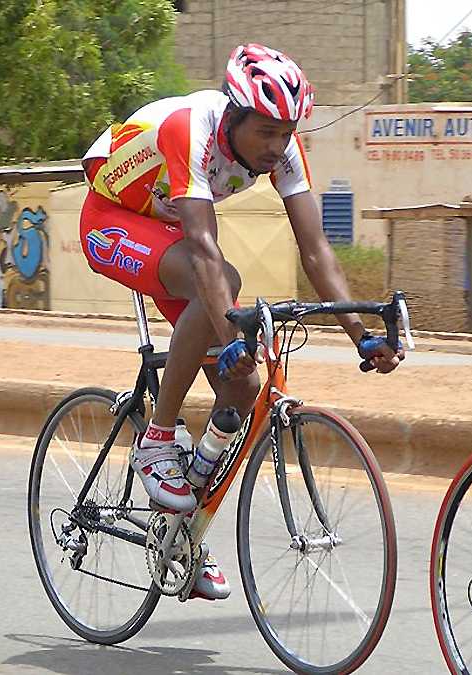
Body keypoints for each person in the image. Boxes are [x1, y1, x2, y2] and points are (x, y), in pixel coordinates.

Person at [79, 43, 403, 600]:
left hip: (169, 232)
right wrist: (231, 334)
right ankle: (157, 439)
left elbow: (316, 249)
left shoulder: (284, 146)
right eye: (266, 133)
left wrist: (361, 332)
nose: (278, 147)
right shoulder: (192, 127)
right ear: (233, 115)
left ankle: (182, 537)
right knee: (224, 282)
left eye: (286, 132)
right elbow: (204, 251)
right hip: (112, 220)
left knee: (243, 387)